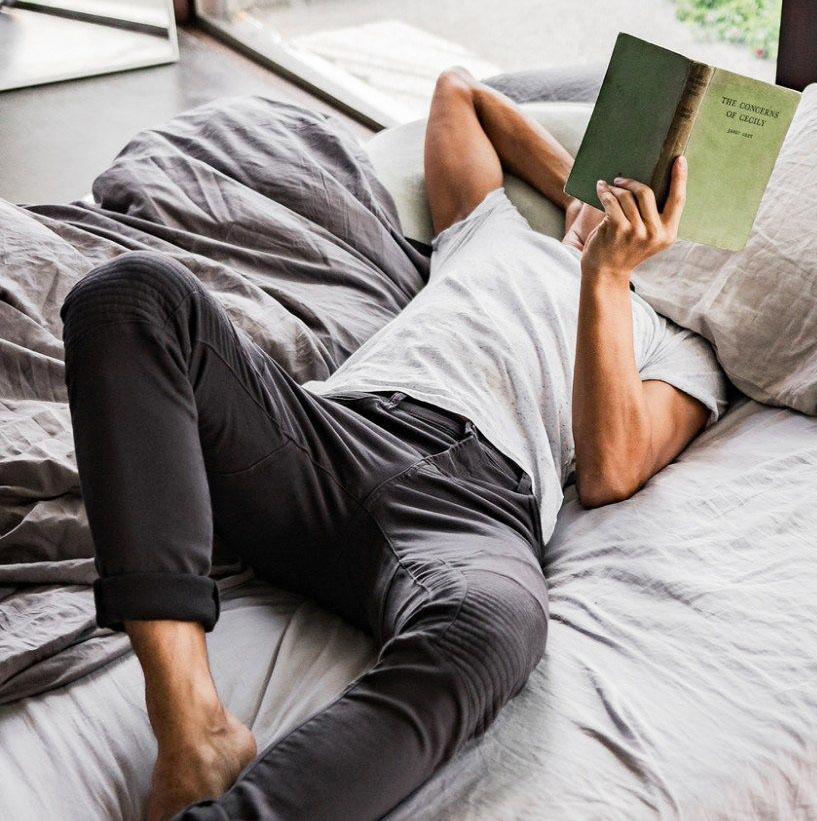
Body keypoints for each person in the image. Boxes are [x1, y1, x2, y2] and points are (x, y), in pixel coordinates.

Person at [60, 67, 727, 821]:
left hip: (471, 505)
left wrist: (606, 276)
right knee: (129, 292)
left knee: (498, 626)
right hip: (328, 438)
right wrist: (581, 194)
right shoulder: (496, 229)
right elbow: (459, 94)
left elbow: (612, 471)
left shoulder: (676, 345)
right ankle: (192, 726)